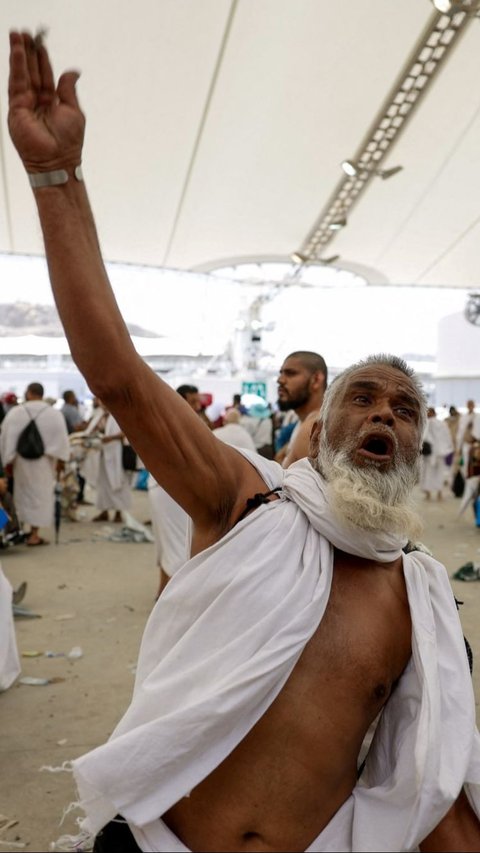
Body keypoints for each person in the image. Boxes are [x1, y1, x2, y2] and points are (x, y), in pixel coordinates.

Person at [7, 33, 480, 852]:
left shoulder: (422, 598)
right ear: (318, 423)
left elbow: (428, 783)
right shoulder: (250, 502)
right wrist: (57, 180)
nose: (384, 415)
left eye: (405, 408)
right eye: (362, 397)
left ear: (418, 444)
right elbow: (118, 374)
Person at [0, 381, 69, 546]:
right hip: (44, 463)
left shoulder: (16, 412)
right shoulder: (54, 414)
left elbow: (4, 437)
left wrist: (7, 462)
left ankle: (20, 530)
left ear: (30, 392)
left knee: (22, 496)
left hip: (21, 463)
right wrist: (60, 462)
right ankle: (34, 534)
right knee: (41, 496)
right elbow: (62, 440)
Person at [276, 350, 327, 466]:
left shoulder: (315, 427)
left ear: (316, 380)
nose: (280, 380)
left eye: (290, 373)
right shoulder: (305, 423)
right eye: (281, 373)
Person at [420, 407, 454, 501]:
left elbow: (445, 436)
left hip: (437, 452)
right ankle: (430, 493)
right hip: (433, 452)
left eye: (429, 412)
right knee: (430, 473)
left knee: (435, 473)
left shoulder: (433, 423)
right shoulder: (430, 423)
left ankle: (437, 493)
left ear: (433, 413)